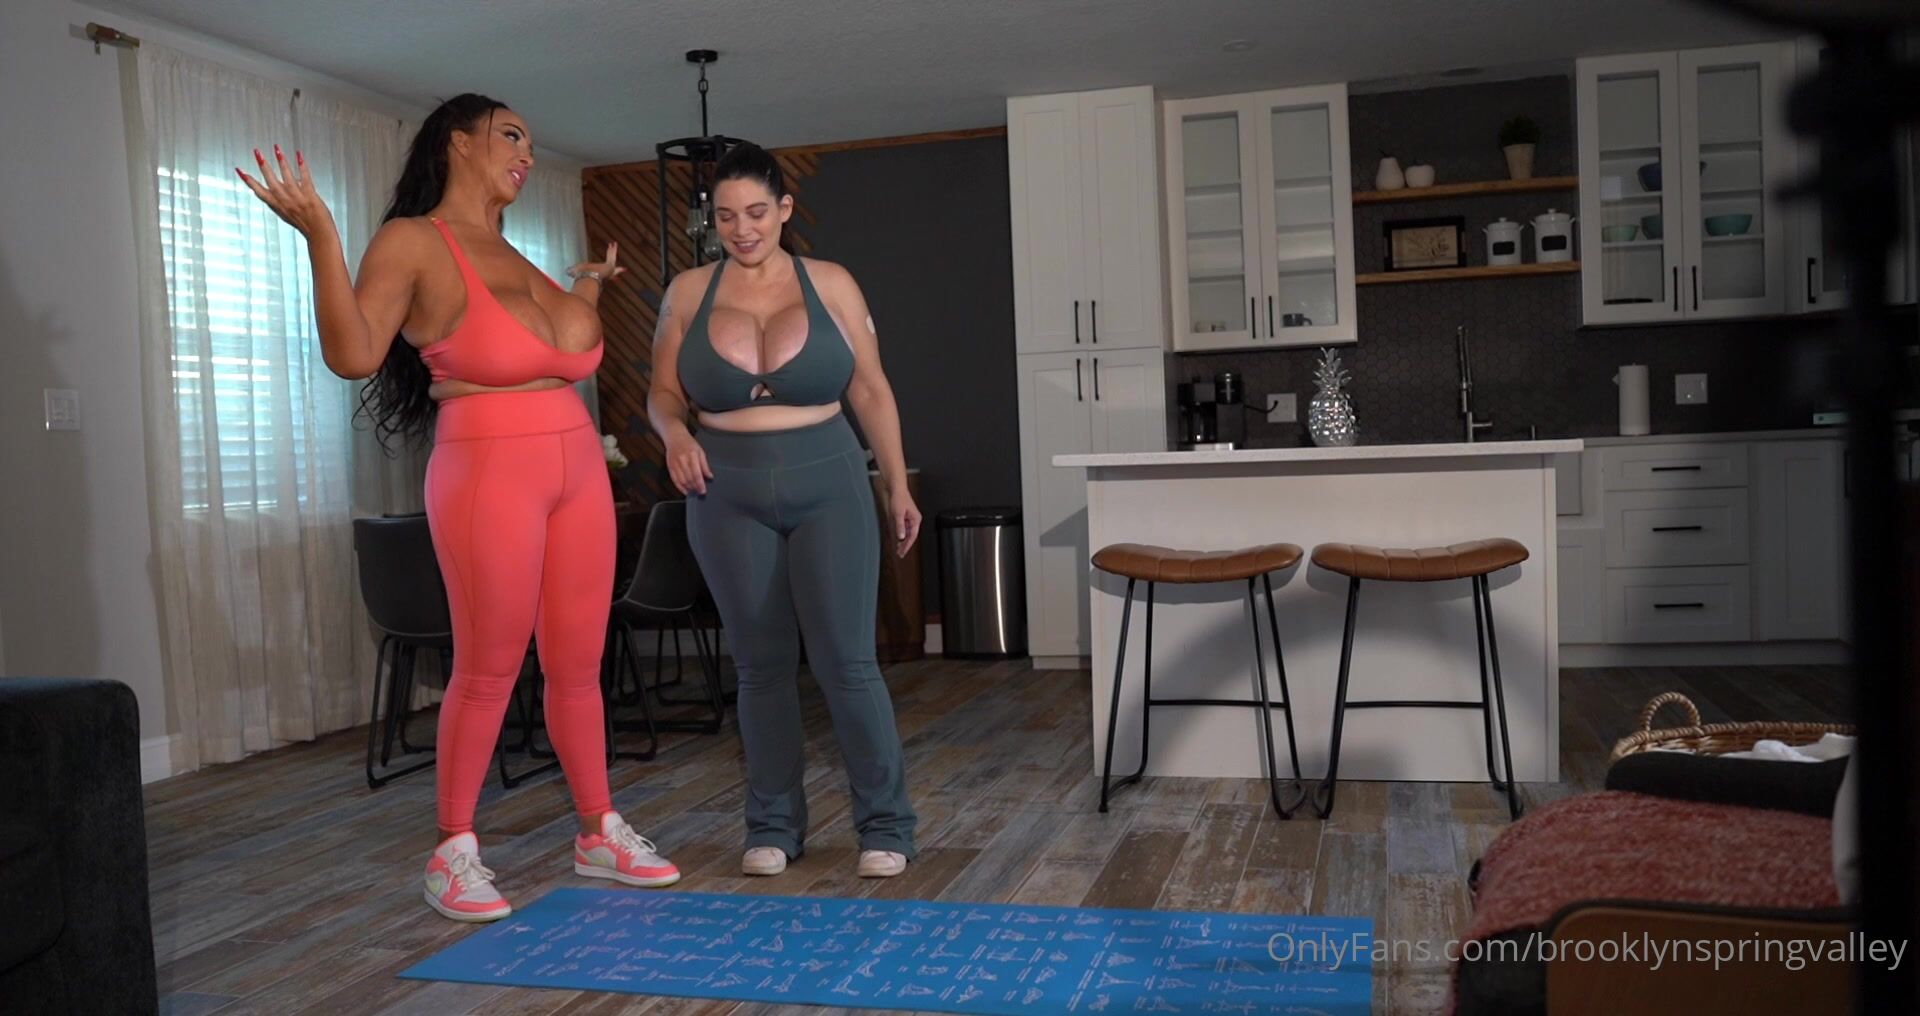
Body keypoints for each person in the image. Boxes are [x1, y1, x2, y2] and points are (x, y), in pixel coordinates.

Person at [239, 94, 679, 923]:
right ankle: (452, 851)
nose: (526, 154)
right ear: (458, 142)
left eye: (531, 142)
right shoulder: (414, 241)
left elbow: (557, 349)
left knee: (578, 664)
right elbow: (354, 353)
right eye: (511, 135)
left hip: (578, 468)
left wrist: (586, 284)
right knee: (489, 665)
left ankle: (597, 829)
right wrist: (322, 236)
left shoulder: (519, 256)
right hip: (488, 468)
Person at [648, 143, 921, 878]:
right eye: (726, 216)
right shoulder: (686, 292)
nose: (742, 229)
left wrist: (897, 485)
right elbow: (663, 393)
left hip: (829, 479)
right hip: (724, 490)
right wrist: (674, 434)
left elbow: (871, 389)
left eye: (757, 212)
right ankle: (772, 825)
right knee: (759, 667)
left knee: (846, 662)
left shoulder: (831, 283)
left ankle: (886, 826)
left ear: (785, 209)